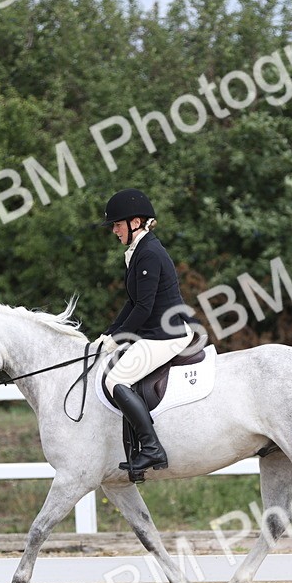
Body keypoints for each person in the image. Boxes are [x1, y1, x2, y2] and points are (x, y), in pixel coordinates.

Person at [96, 188, 195, 474]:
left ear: (135, 222)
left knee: (115, 379)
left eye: (117, 224)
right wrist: (110, 332)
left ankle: (151, 449)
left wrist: (118, 339)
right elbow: (132, 301)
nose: (114, 230)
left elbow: (144, 308)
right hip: (156, 330)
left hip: (166, 334)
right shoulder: (139, 250)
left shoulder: (149, 252)